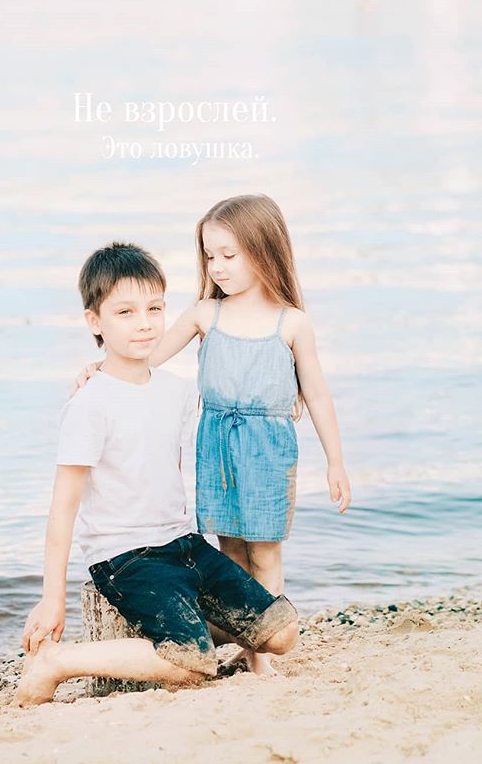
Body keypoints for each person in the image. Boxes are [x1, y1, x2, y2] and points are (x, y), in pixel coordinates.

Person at [72, 195, 352, 677]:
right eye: (209, 254)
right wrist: (99, 370)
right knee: (230, 550)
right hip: (216, 444)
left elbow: (319, 396)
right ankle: (240, 640)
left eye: (229, 254)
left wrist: (336, 462)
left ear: (264, 250)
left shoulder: (292, 323)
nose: (216, 266)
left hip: (268, 449)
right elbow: (147, 353)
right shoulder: (206, 314)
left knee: (265, 549)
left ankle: (258, 655)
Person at [16, 241, 298, 707]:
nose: (144, 322)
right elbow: (62, 511)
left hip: (182, 544)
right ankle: (58, 662)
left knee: (282, 634)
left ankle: (191, 636)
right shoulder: (90, 404)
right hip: (126, 555)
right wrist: (53, 599)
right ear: (95, 322)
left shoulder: (178, 392)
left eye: (154, 308)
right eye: (124, 311)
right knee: (188, 667)